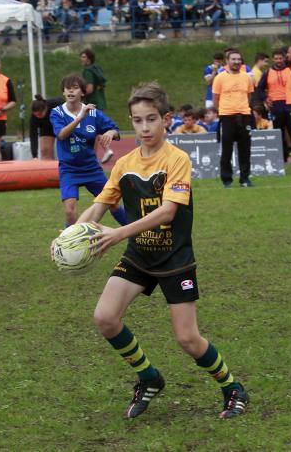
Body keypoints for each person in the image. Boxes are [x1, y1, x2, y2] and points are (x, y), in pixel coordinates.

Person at [71, 81, 249, 420]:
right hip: (139, 255)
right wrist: (71, 236)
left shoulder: (177, 159)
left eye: (151, 119)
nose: (145, 127)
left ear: (165, 119)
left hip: (174, 258)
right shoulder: (124, 164)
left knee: (187, 339)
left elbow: (167, 212)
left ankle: (232, 387)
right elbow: (97, 207)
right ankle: (149, 377)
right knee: (105, 318)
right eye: (137, 121)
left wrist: (117, 233)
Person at [50, 73, 127, 227]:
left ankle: (137, 234)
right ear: (63, 92)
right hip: (69, 169)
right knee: (70, 211)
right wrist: (79, 117)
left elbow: (115, 130)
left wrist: (111, 133)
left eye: (75, 88)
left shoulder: (93, 113)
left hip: (91, 167)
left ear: (83, 92)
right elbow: (61, 135)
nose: (71, 91)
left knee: (113, 204)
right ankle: (69, 246)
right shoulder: (57, 113)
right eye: (67, 88)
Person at [213, 49, 254, 188]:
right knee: (226, 150)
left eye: (238, 59)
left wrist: (242, 109)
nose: (236, 62)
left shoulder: (246, 77)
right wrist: (223, 111)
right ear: (227, 61)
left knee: (245, 149)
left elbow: (249, 96)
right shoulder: (220, 77)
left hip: (244, 116)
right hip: (227, 117)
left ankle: (245, 179)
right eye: (233, 59)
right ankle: (227, 180)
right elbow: (216, 98)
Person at [80, 49, 114, 164]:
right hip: (100, 102)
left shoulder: (88, 71)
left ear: (89, 58)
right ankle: (99, 153)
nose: (81, 59)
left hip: (92, 103)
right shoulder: (97, 69)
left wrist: (79, 95)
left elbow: (89, 89)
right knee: (96, 128)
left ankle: (103, 151)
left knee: (92, 129)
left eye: (84, 57)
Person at [29, 94, 62, 159]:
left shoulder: (56, 104)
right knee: (45, 151)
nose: (38, 117)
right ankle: (49, 167)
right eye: (36, 115)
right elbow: (33, 135)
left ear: (46, 108)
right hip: (46, 128)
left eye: (40, 114)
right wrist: (34, 155)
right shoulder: (34, 118)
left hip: (61, 125)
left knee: (66, 149)